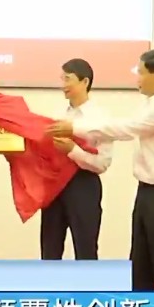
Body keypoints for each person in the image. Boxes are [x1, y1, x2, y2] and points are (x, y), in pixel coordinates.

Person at [45, 49, 154, 291]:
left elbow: (126, 129)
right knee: (140, 261)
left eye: (141, 73)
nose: (137, 79)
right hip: (148, 190)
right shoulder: (152, 102)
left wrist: (73, 130)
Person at [43, 59, 113, 260]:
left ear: (85, 82)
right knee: (49, 251)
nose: (63, 85)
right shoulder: (57, 116)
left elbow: (102, 163)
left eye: (68, 79)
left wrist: (72, 151)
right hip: (55, 187)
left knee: (85, 250)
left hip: (84, 185)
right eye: (61, 79)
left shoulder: (101, 117)